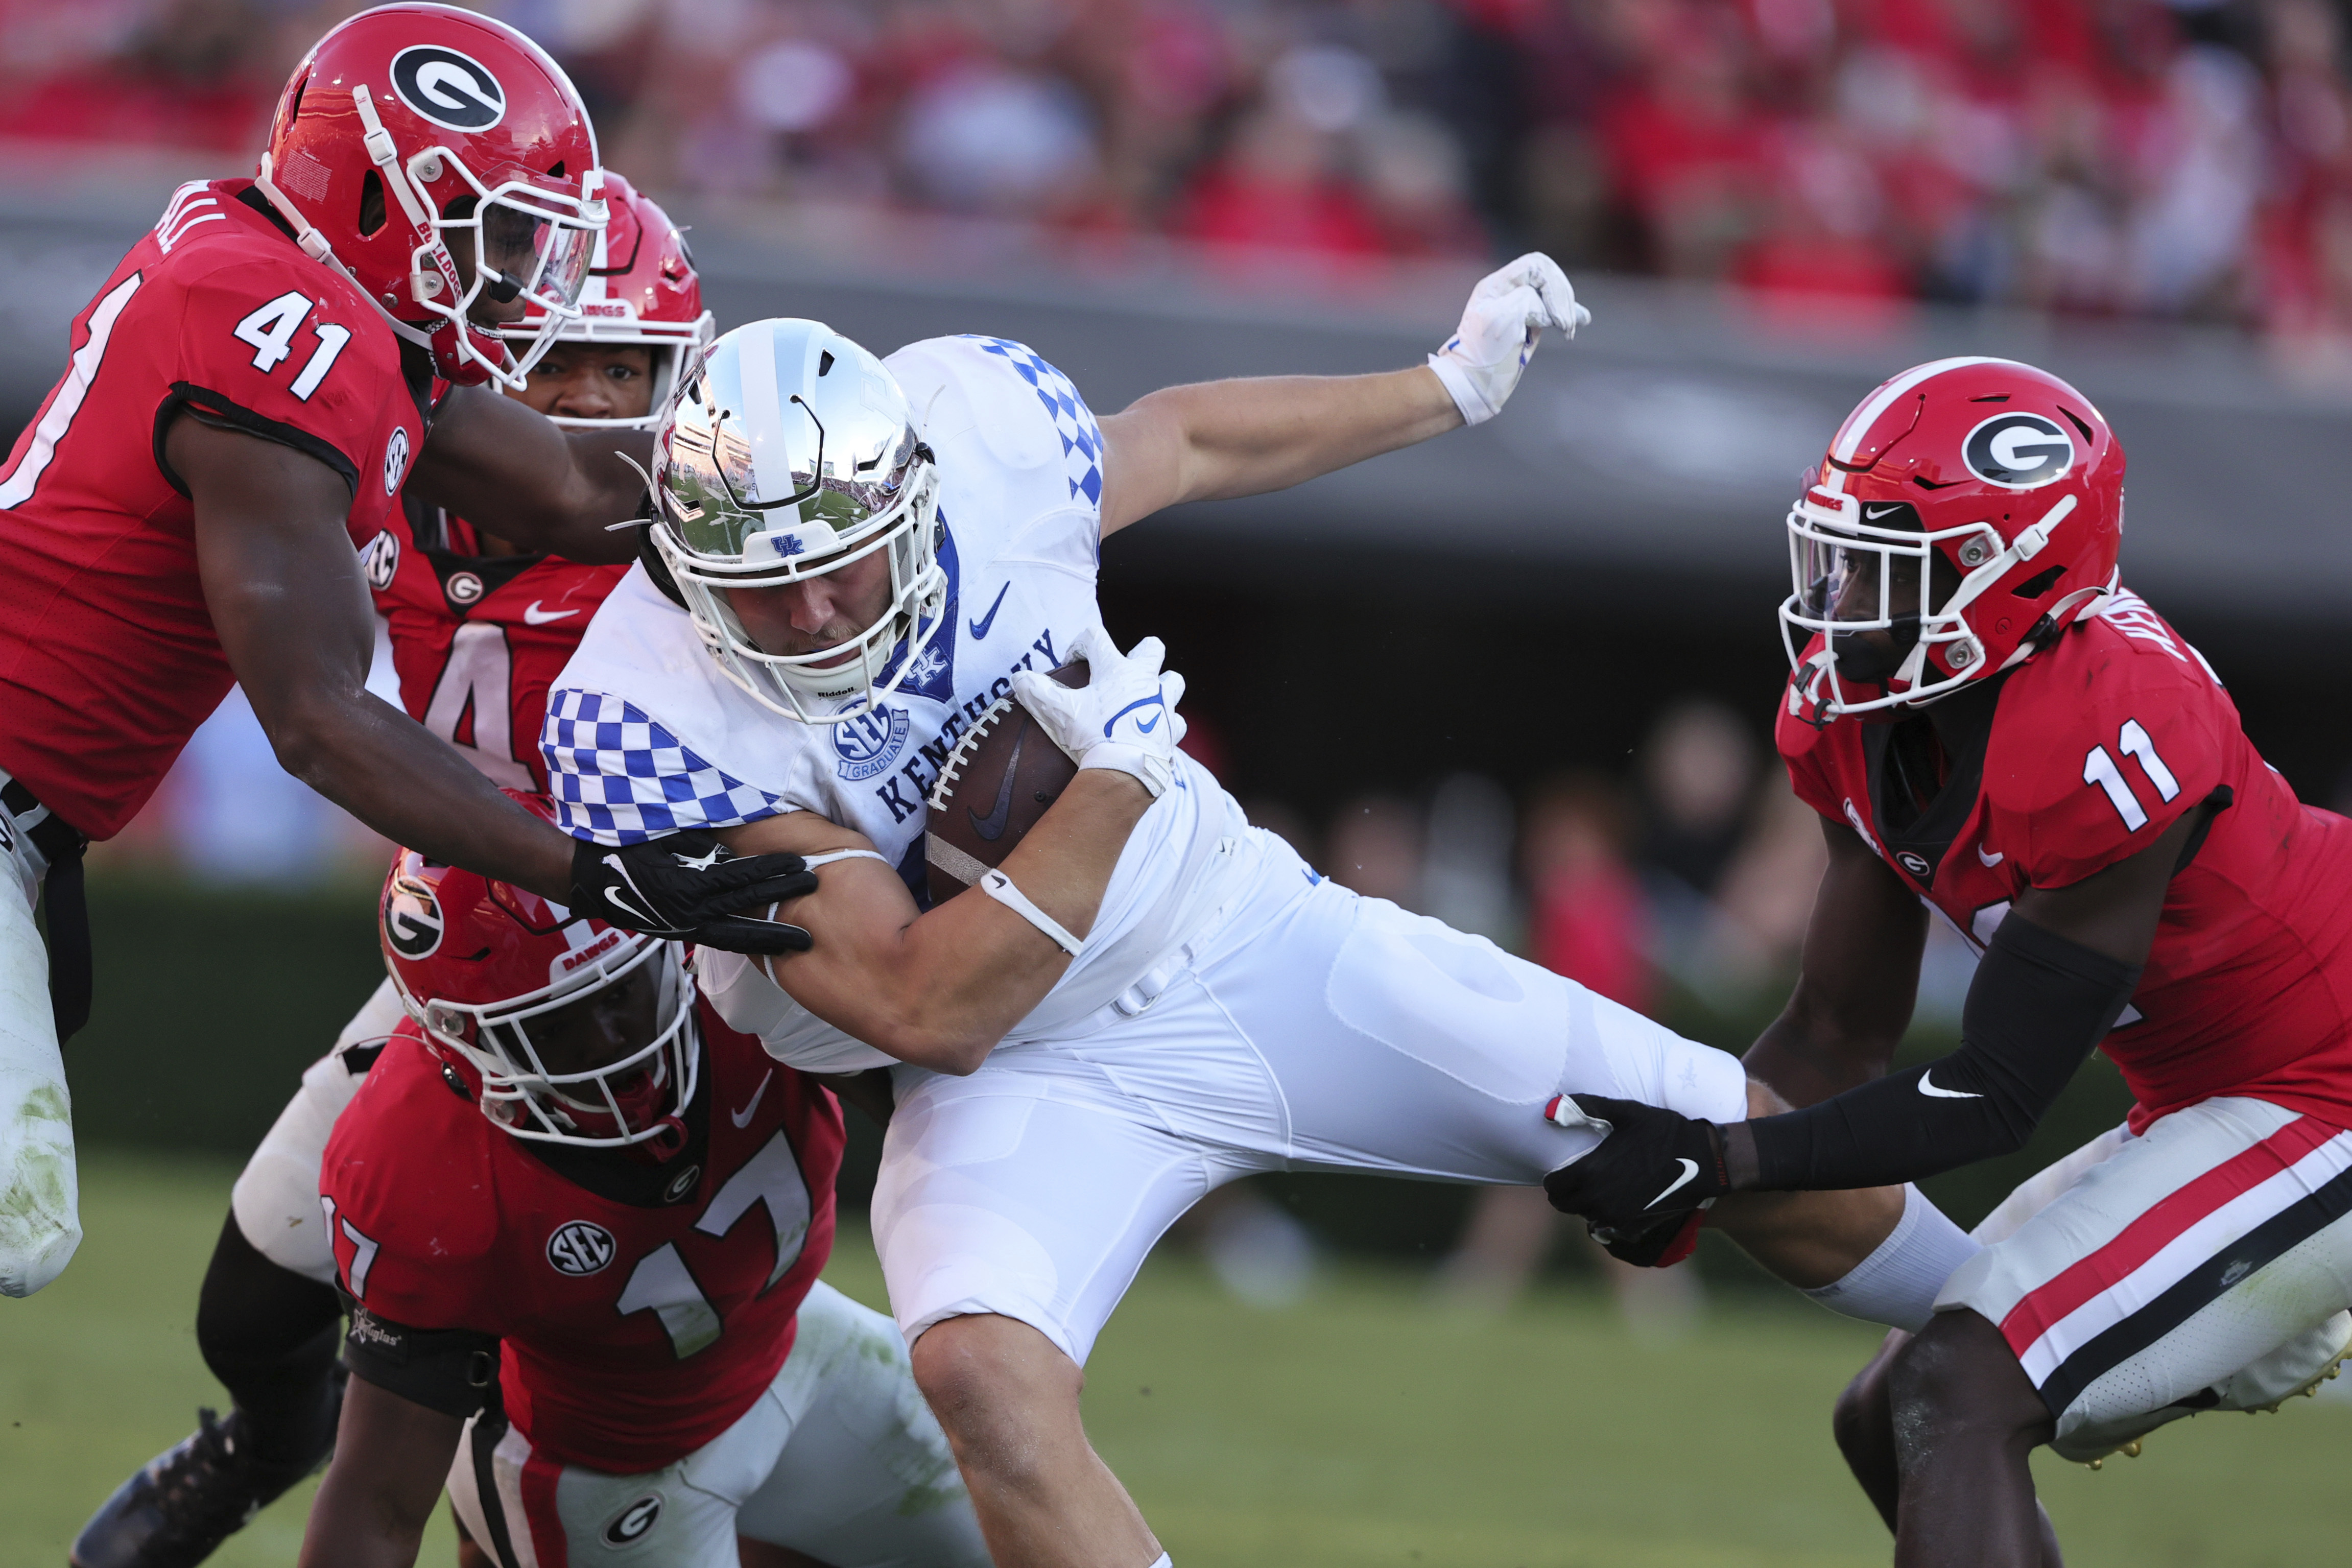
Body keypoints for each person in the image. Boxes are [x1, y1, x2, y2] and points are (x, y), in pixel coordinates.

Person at [542, 276, 1983, 1568]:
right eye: (757, 584)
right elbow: (933, 1007)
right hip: (1011, 1073)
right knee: (981, 1373)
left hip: (1242, 932)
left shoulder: (972, 425)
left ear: (912, 493)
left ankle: (2048, 1324)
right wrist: (1109, 778)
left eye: (833, 566)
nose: (802, 614)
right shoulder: (646, 714)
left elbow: (1184, 441)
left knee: (1722, 1128)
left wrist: (1445, 384)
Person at [0, 3, 809, 1305]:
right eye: (502, 232)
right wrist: (587, 869)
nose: (523, 278)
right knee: (13, 1219)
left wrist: (795, 478)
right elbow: (316, 715)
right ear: (388, 194)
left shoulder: (293, 283)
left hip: (32, 815)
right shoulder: (280, 328)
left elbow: (553, 483)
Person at [1542, 355, 2352, 1567]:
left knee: (1957, 1382)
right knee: (1885, 1413)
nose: (1838, 600)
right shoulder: (1857, 717)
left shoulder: (2111, 722)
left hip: (2326, 1082)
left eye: (1882, 567)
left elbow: (1990, 1093)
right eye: (1833, 555)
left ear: (2009, 575)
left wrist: (1722, 1161)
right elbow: (1830, 1037)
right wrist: (1654, 1127)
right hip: (2218, 1090)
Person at [66, 175, 727, 1568]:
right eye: (569, 367)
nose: (598, 403)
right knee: (251, 1311)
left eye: (630, 370)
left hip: (652, 967)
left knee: (533, 1377)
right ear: (492, 360)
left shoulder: (682, 572)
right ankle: (256, 1438)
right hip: (464, 961)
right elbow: (313, 705)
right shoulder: (362, 463)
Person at [299, 814, 990, 1568]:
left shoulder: (743, 965)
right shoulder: (421, 1160)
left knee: (1037, 1500)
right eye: (556, 1026)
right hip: (600, 1475)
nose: (611, 1042)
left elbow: (953, 1106)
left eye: (624, 988)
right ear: (461, 1042)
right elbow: (379, 1498)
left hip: (798, 1347)